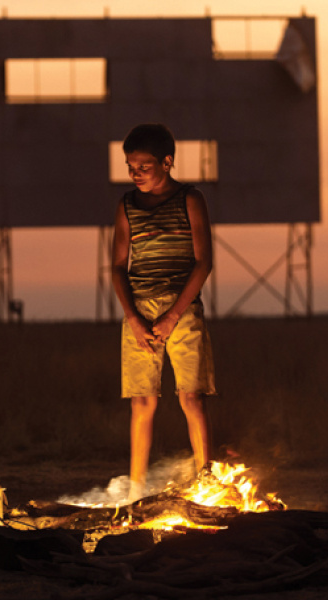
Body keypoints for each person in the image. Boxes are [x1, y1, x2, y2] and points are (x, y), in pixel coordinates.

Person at [111, 123, 217, 501]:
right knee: (142, 402)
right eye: (130, 167)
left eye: (144, 166)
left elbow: (203, 262)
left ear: (167, 162)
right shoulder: (127, 206)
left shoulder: (190, 199)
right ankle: (136, 491)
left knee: (192, 397)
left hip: (182, 308)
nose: (135, 173)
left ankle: (206, 480)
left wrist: (173, 315)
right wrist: (134, 319)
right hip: (138, 311)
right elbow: (117, 267)